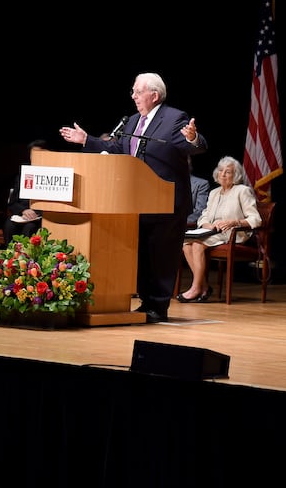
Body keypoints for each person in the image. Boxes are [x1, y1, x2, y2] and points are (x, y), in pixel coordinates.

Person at [59, 72, 208, 323]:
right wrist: (87, 140)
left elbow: (195, 145)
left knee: (161, 256)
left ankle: (158, 307)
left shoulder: (174, 118)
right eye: (133, 92)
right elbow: (118, 149)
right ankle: (146, 304)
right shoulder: (132, 122)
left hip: (167, 201)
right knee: (144, 255)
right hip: (137, 201)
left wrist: (193, 137)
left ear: (154, 95)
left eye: (137, 92)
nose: (134, 96)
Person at [178, 156, 262, 303]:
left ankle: (196, 288)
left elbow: (255, 219)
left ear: (235, 175)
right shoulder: (214, 192)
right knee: (186, 244)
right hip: (212, 233)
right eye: (221, 170)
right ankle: (203, 287)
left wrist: (234, 222)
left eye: (228, 171)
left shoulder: (242, 191)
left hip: (233, 234)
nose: (223, 174)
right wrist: (206, 225)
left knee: (197, 245)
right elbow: (204, 216)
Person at [3, 140, 49, 244]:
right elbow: (13, 203)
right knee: (9, 226)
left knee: (29, 228)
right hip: (22, 215)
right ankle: (11, 258)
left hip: (40, 216)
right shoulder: (24, 174)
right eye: (33, 155)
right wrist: (23, 210)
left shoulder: (53, 174)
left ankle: (27, 260)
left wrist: (36, 213)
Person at [187, 155, 210, 229]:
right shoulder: (166, 183)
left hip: (188, 226)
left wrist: (179, 223)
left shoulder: (201, 184)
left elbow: (200, 211)